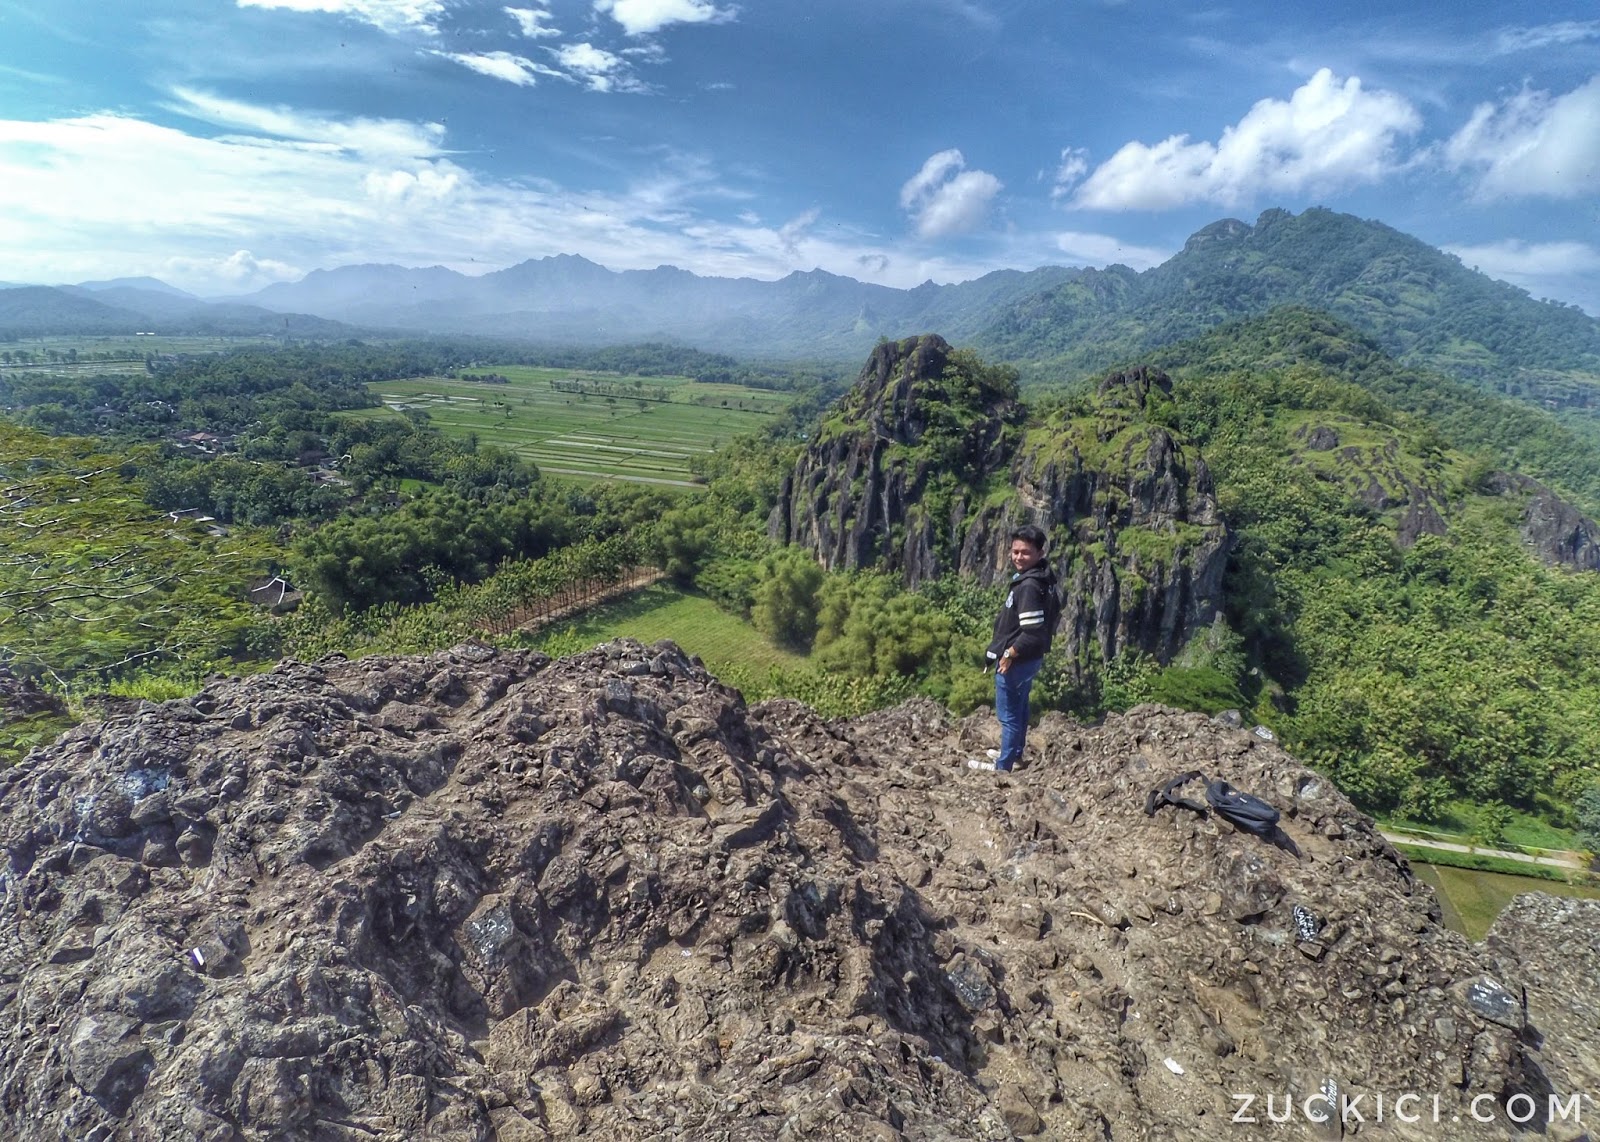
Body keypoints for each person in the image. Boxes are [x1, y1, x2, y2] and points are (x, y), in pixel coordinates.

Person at [969, 525, 1060, 773]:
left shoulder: (1029, 586)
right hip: (1031, 659)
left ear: (1040, 553)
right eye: (1015, 551)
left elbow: (1032, 632)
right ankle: (1015, 754)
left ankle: (1003, 766)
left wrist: (1008, 655)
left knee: (1008, 716)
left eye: (1025, 553)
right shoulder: (1043, 575)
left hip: (1018, 660)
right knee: (1020, 708)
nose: (1018, 557)